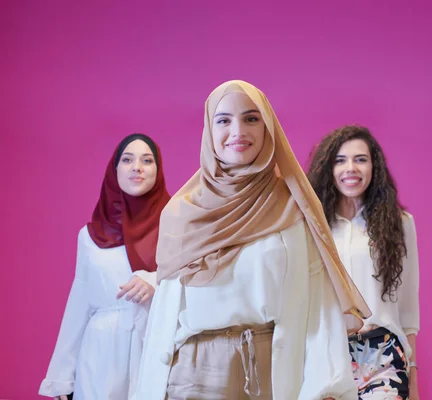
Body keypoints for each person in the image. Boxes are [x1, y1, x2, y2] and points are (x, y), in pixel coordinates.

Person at [135, 80, 371, 400]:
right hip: (187, 376)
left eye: (251, 118)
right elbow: (164, 315)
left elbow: (318, 304)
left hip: (267, 373)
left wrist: (325, 386)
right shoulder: (180, 213)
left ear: (267, 127)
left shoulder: (291, 206)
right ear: (209, 129)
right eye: (223, 120)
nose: (238, 131)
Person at [39, 134, 171, 400]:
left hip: (156, 344)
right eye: (127, 159)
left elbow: (196, 281)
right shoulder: (89, 237)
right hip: (101, 354)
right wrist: (62, 377)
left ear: (158, 171)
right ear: (115, 170)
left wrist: (157, 280)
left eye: (147, 160)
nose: (137, 167)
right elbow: (79, 304)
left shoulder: (177, 225)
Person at [307, 125, 421, 400]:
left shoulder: (399, 224)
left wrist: (413, 375)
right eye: (340, 160)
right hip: (325, 353)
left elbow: (407, 310)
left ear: (374, 167)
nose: (351, 168)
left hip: (382, 355)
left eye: (360, 159)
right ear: (328, 169)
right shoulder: (311, 226)